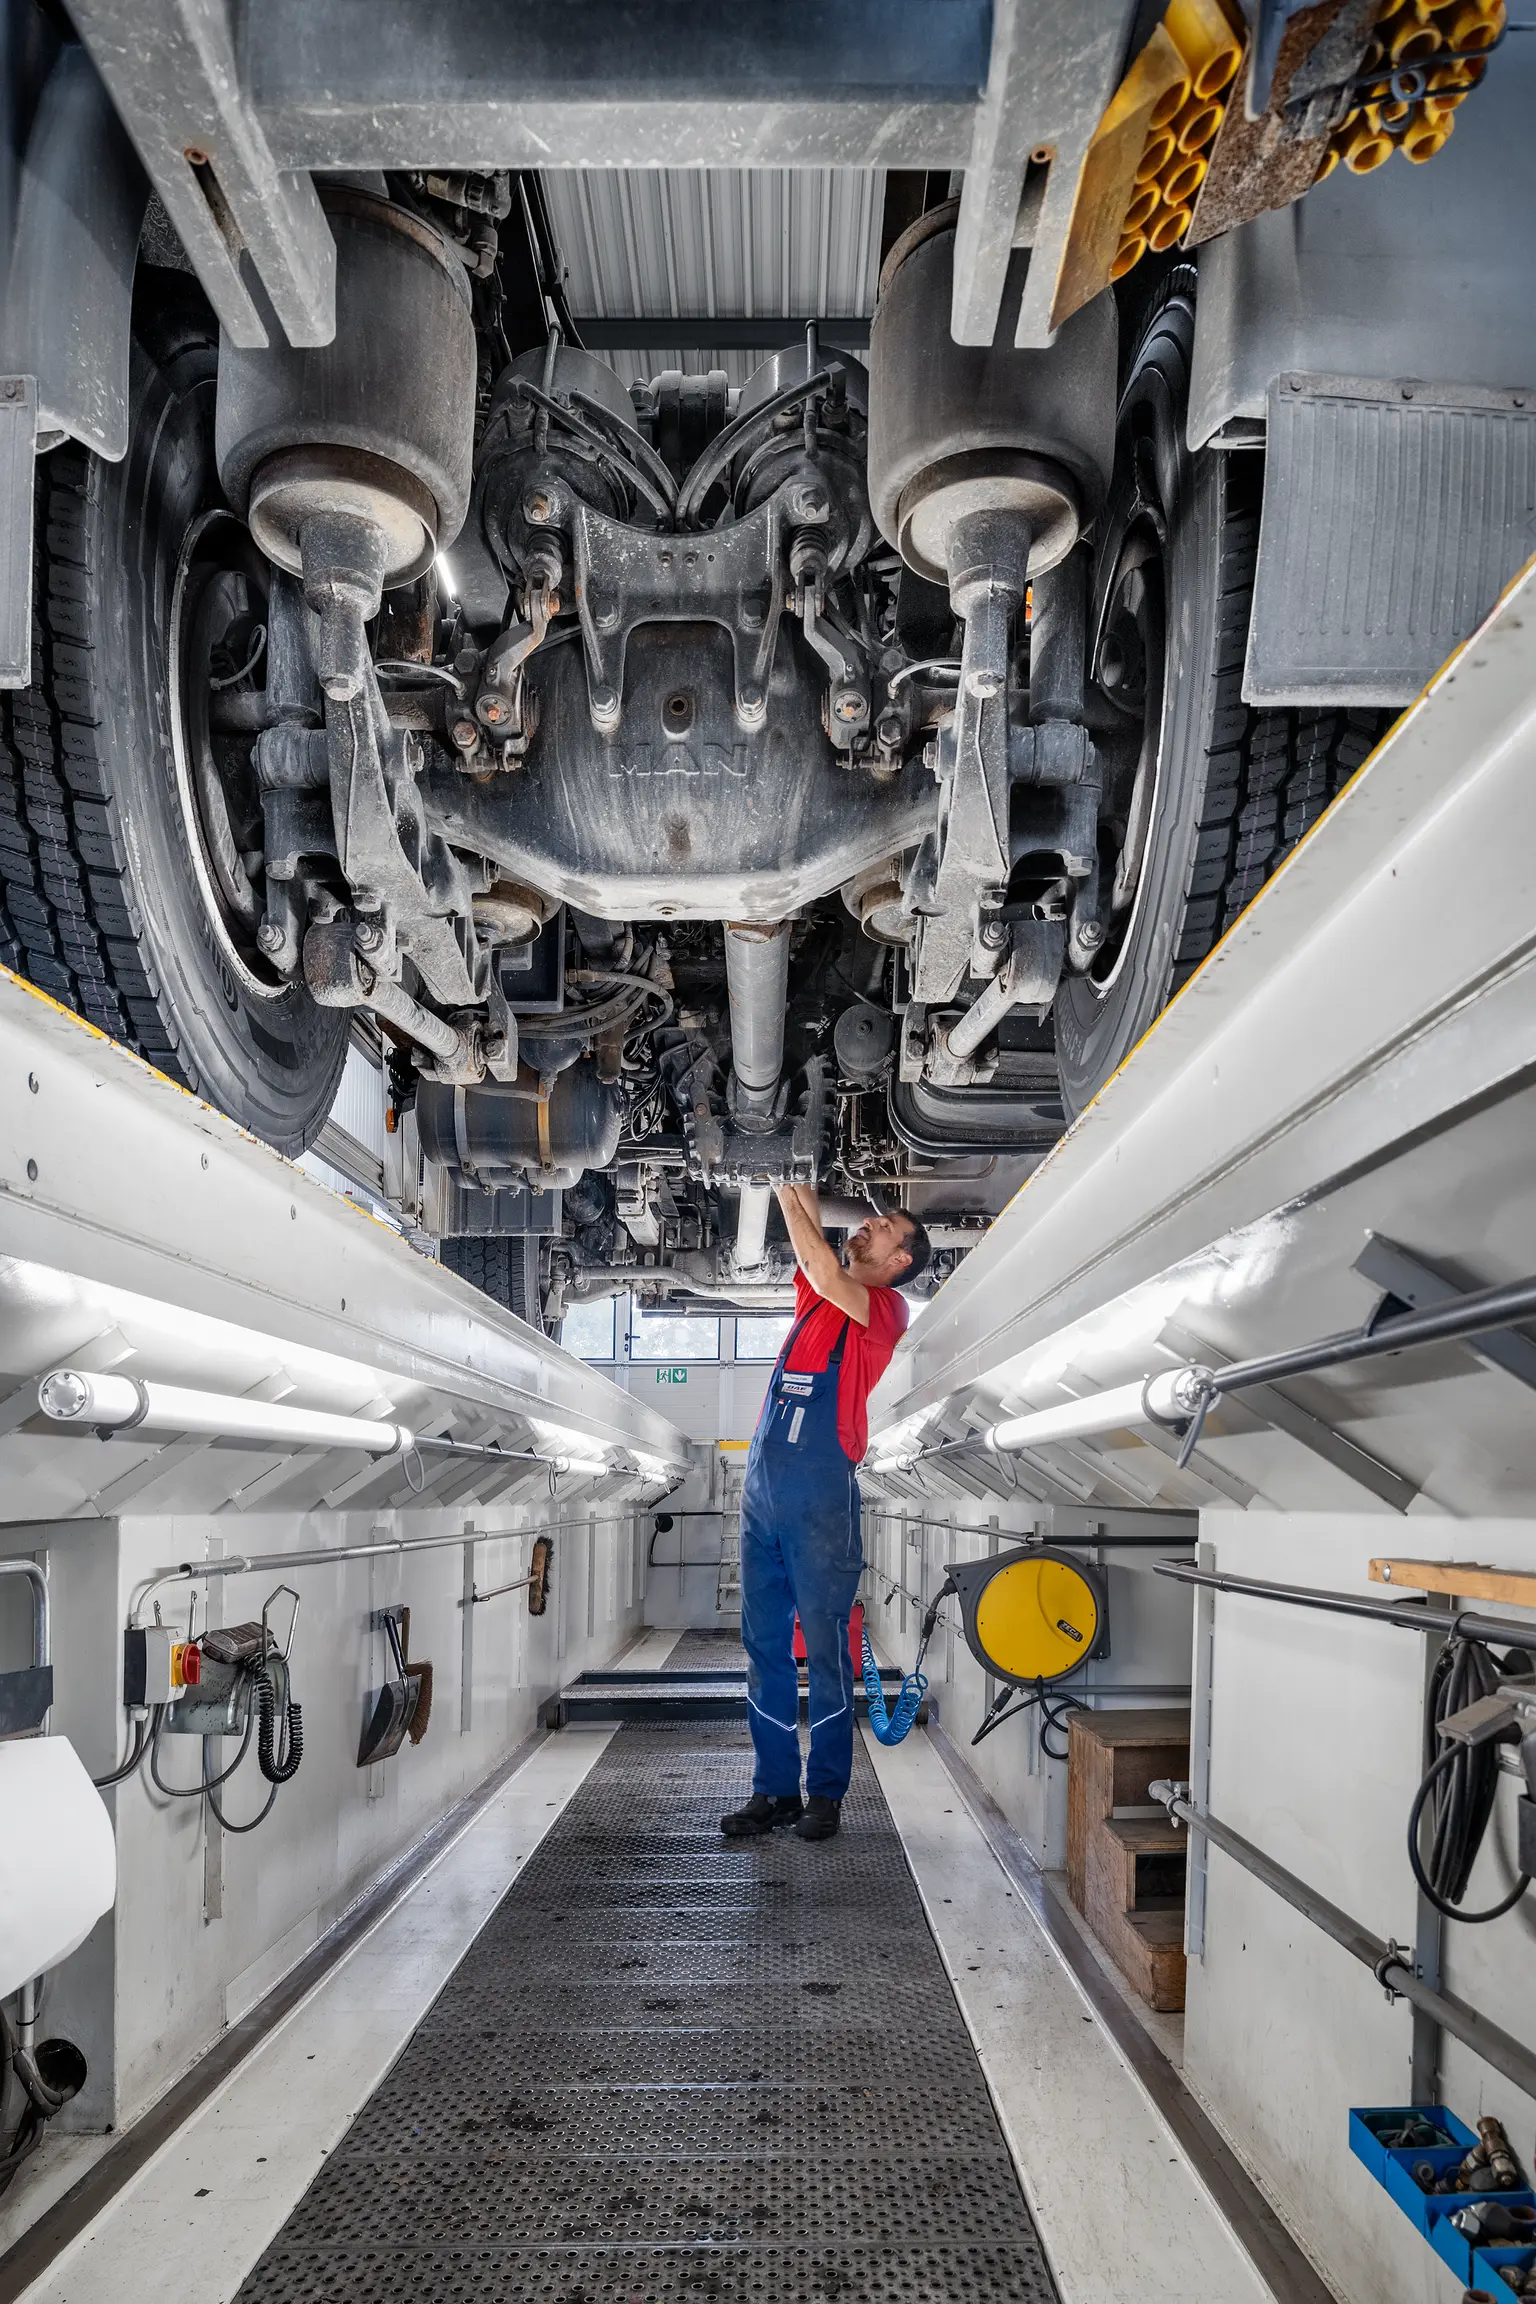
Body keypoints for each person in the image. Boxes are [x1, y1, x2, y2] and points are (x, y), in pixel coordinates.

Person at [721, 1184, 931, 1844]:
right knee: (763, 1651)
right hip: (763, 1494)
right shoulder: (819, 1298)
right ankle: (774, 1789)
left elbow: (817, 1261)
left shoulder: (885, 1310)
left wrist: (777, 1181)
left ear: (900, 1260)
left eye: (883, 1228)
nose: (866, 1227)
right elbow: (810, 1232)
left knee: (829, 1653)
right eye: (870, 1220)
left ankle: (827, 1794)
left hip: (820, 1500)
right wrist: (789, 1165)